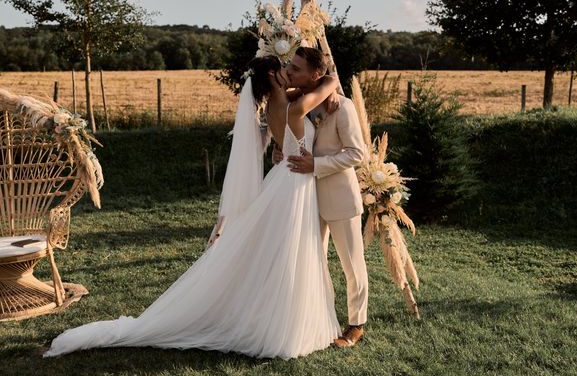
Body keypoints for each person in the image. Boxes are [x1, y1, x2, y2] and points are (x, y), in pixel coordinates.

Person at [44, 55, 342, 359]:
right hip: (294, 184)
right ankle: (283, 328)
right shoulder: (292, 107)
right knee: (290, 252)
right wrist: (329, 77)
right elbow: (323, 88)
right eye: (284, 69)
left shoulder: (282, 102)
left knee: (286, 251)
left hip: (288, 178)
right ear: (274, 79)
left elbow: (292, 107)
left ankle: (279, 318)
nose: (289, 72)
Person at [274, 47, 369, 348]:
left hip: (340, 197)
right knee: (313, 262)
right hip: (306, 199)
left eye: (297, 69)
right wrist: (282, 152)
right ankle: (320, 320)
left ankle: (356, 324)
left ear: (316, 75)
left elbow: (357, 153)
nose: (290, 72)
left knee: (352, 265)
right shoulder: (296, 103)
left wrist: (318, 165)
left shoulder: (342, 107)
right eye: (291, 66)